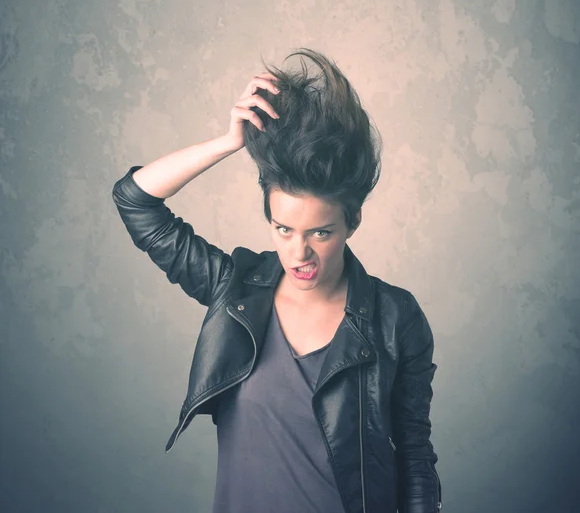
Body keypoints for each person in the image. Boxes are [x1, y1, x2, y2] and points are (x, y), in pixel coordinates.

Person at [111, 49, 442, 513]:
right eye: (283, 229)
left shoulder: (394, 317)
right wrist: (229, 143)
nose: (298, 253)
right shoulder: (234, 290)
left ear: (353, 222)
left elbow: (414, 454)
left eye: (320, 233)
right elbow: (135, 202)